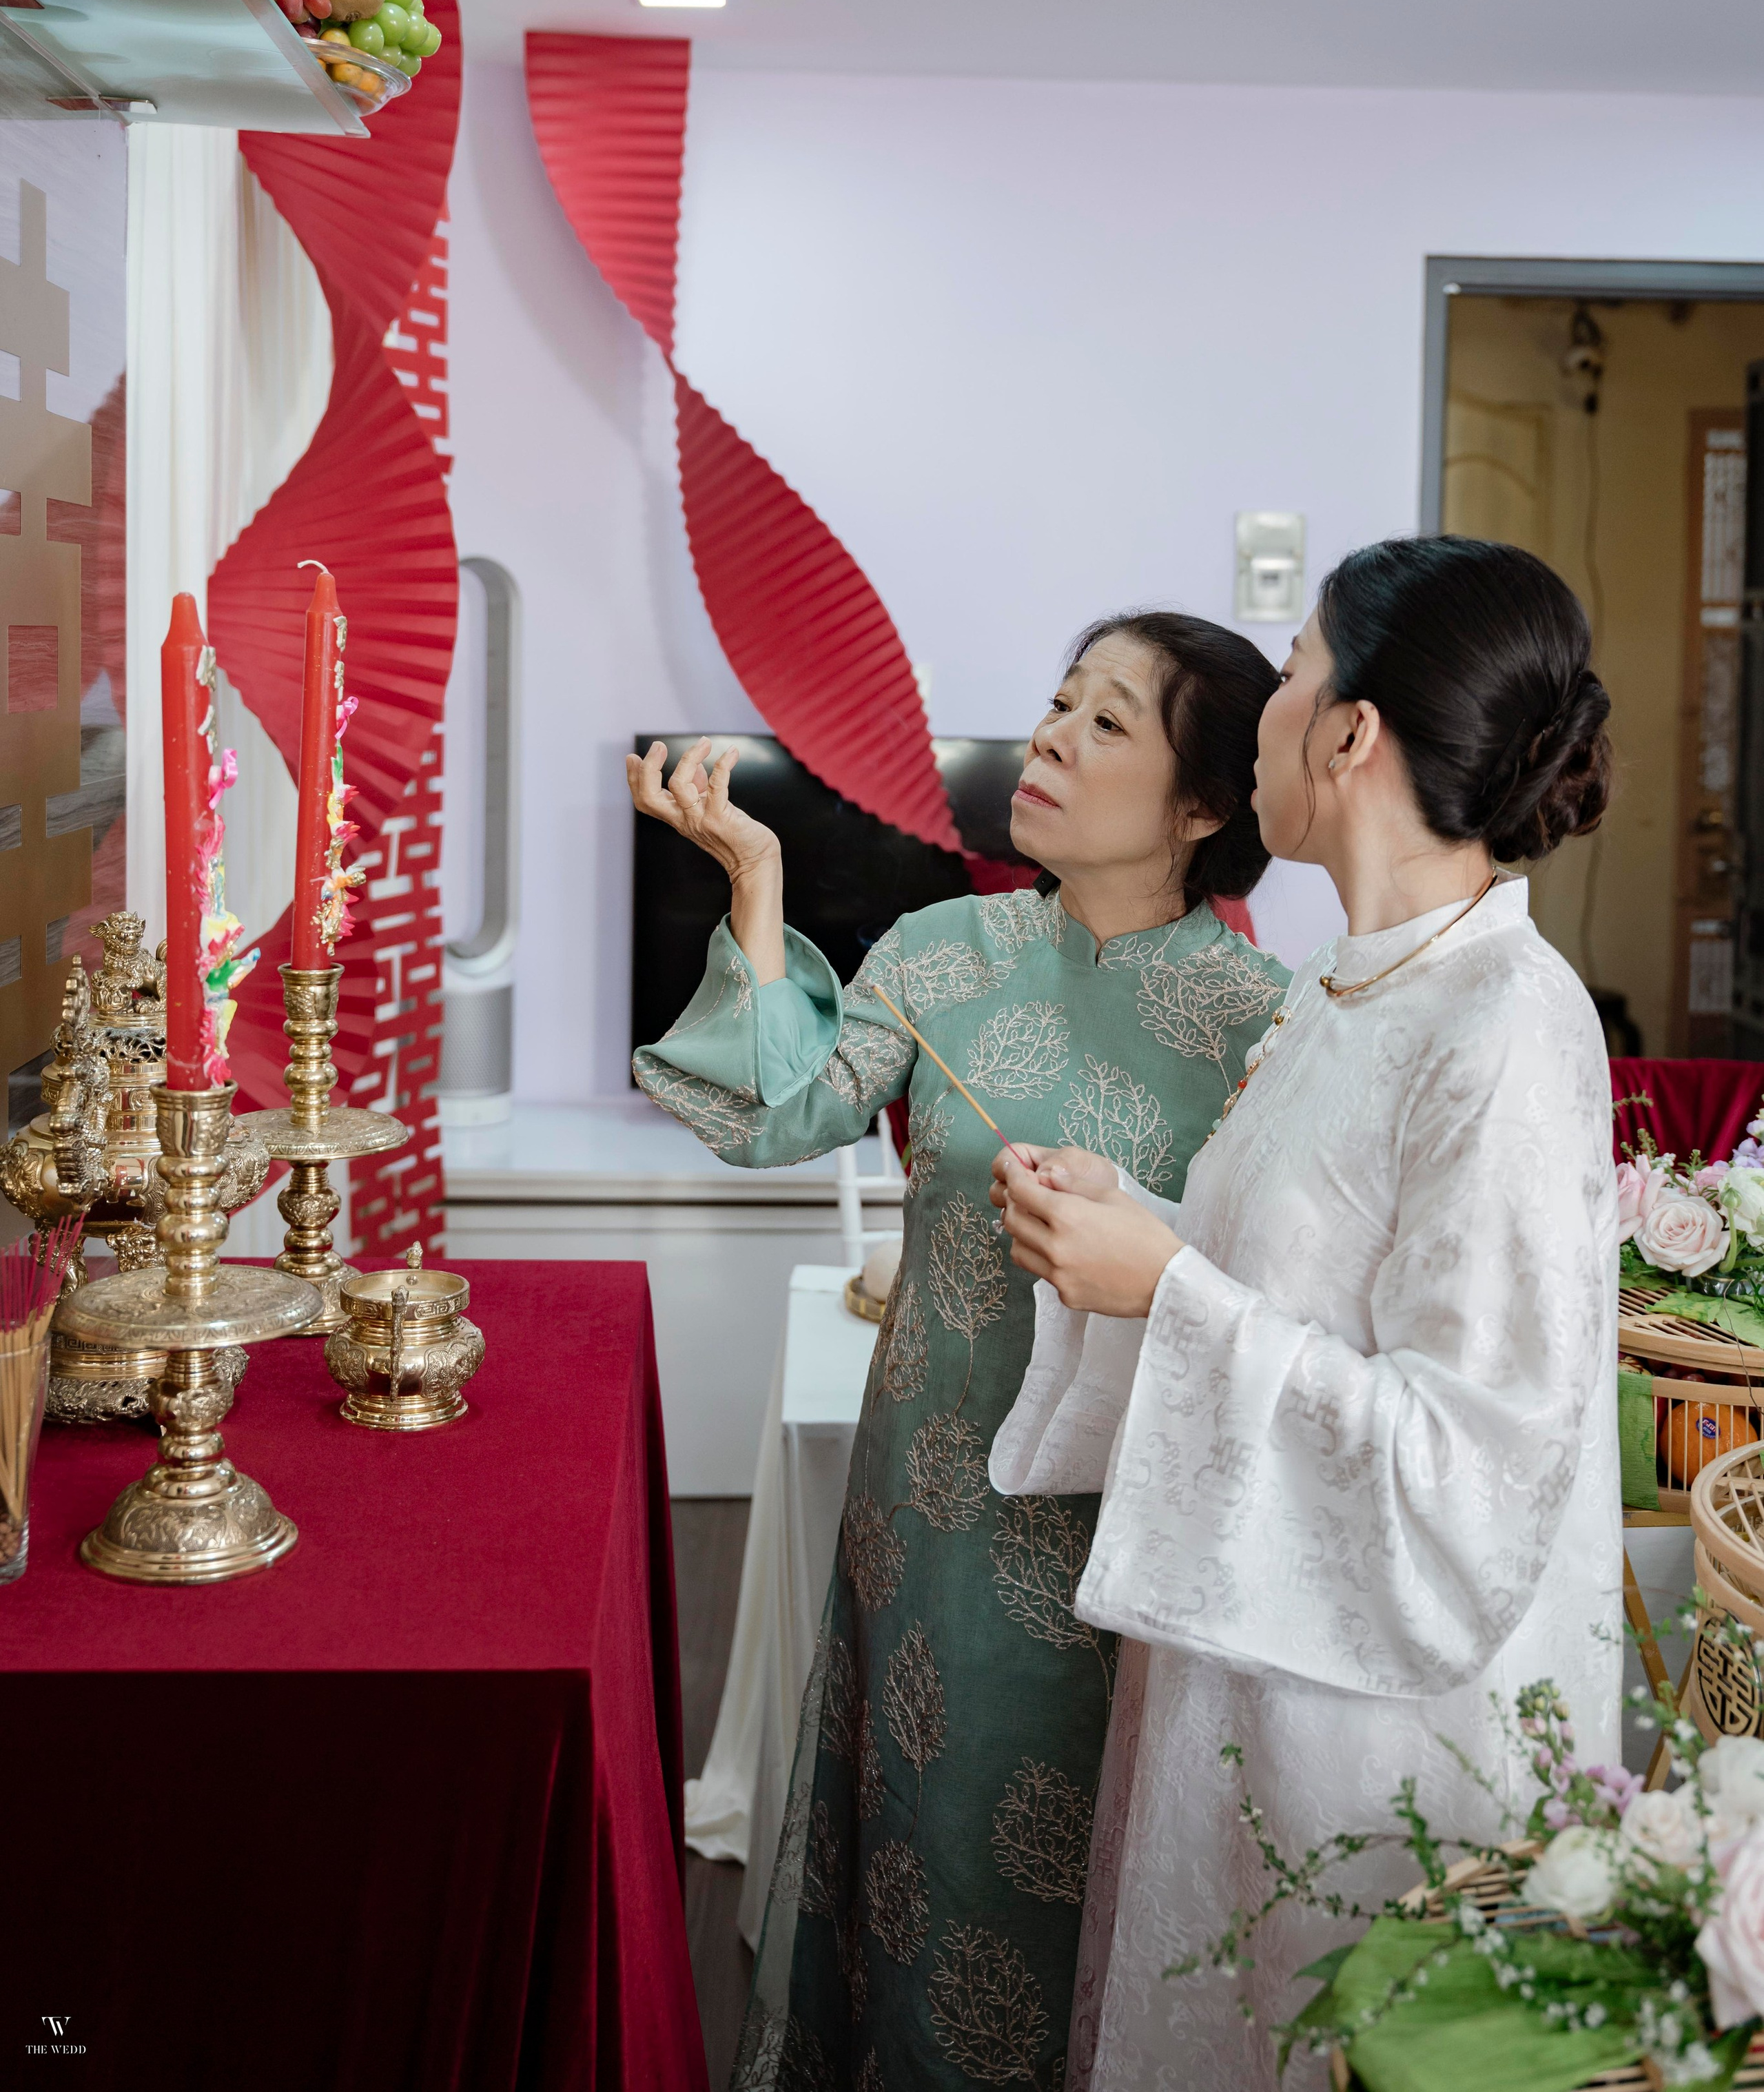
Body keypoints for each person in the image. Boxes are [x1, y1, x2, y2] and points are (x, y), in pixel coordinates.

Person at [988, 536, 1620, 2092]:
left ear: (1347, 734)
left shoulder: (1504, 1027)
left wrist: (1166, 1286)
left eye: (1286, 676)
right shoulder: (1354, 988)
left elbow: (1469, 1465)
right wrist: (1136, 1233)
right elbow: (1283, 1281)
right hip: (1247, 1670)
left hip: (1375, 1738)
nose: (1266, 710)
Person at [628, 612, 1289, 2091]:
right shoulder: (940, 951)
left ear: (1203, 805)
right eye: (1058, 700)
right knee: (915, 1861)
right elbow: (773, 1113)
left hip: (1119, 1552)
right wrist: (752, 873)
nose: (1047, 734)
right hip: (920, 1525)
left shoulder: (1263, 1028)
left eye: (1106, 720)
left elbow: (1268, 1298)